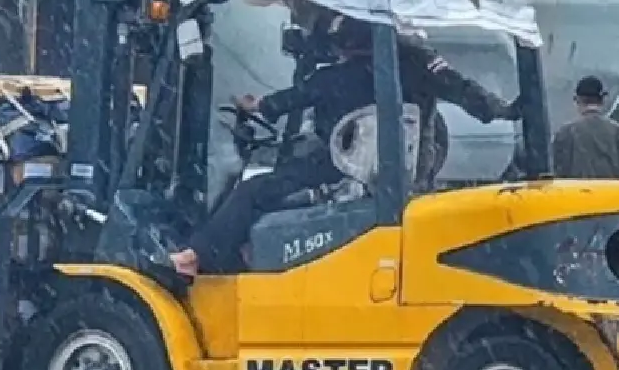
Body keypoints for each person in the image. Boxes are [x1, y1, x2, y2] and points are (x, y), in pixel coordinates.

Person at [169, 18, 517, 276]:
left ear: (344, 45)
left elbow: (284, 101)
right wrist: (504, 110)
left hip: (337, 169)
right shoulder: (419, 68)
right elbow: (465, 91)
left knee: (251, 191)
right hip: (402, 175)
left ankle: (197, 256)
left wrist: (254, 106)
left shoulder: (332, 78)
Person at [552, 75, 619, 179]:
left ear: (577, 100)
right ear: (602, 100)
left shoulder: (565, 133)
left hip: (577, 193)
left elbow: (558, 171)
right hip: (613, 194)